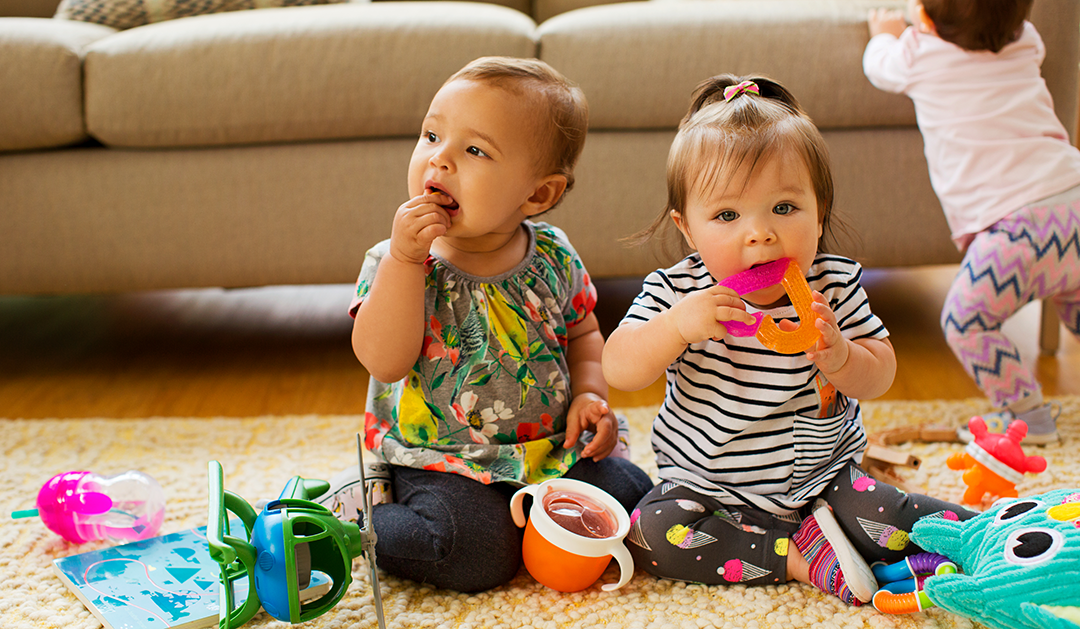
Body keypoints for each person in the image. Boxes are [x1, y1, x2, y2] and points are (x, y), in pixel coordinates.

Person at [601, 75, 975, 606]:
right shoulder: (678, 292)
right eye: (727, 216)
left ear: (819, 212)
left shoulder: (832, 286)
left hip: (822, 480)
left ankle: (988, 533)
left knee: (888, 514)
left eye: (783, 208)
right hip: (709, 489)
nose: (760, 233)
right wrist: (676, 327)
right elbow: (619, 367)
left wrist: (842, 355)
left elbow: (881, 371)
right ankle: (798, 559)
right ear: (688, 229)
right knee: (651, 532)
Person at [328, 56, 652, 593]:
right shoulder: (399, 262)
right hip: (438, 460)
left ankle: (525, 523)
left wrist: (590, 396)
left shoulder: (553, 253)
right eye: (432, 135)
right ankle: (360, 517)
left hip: (548, 452)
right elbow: (383, 360)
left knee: (631, 493)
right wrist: (406, 264)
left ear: (538, 194)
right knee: (470, 554)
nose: (440, 159)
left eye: (474, 150)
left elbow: (583, 333)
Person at [863, 0, 1080, 444]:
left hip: (1015, 230)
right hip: (1073, 203)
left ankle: (1029, 417)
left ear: (923, 16)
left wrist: (886, 32)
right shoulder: (1025, 40)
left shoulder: (917, 53)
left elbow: (878, 66)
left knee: (966, 323)